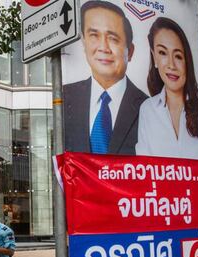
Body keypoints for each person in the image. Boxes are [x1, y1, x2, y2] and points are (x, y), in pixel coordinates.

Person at [63, 0, 148, 155]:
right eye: (94, 35)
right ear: (84, 42)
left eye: (113, 38)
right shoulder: (64, 97)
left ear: (130, 51)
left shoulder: (148, 108)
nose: (103, 47)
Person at [135, 17, 198, 160]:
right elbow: (144, 165)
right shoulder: (147, 110)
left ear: (187, 60)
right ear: (154, 57)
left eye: (178, 56)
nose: (171, 65)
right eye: (162, 53)